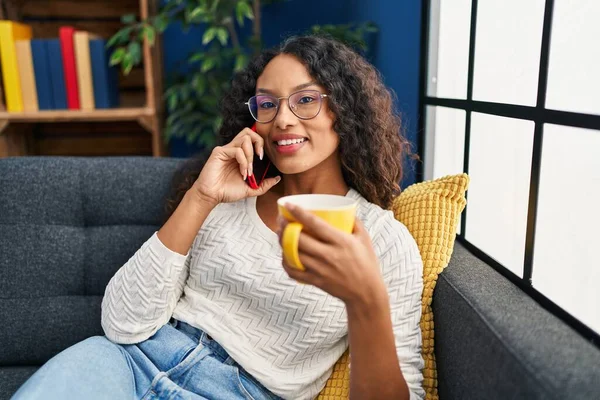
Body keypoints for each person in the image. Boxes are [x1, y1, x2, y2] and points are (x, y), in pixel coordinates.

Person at [12, 35, 425, 400]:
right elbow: (122, 323)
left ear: (344, 110)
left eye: (305, 99)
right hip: (129, 361)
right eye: (267, 103)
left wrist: (366, 301)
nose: (282, 119)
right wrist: (202, 196)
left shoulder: (386, 242)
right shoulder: (226, 194)